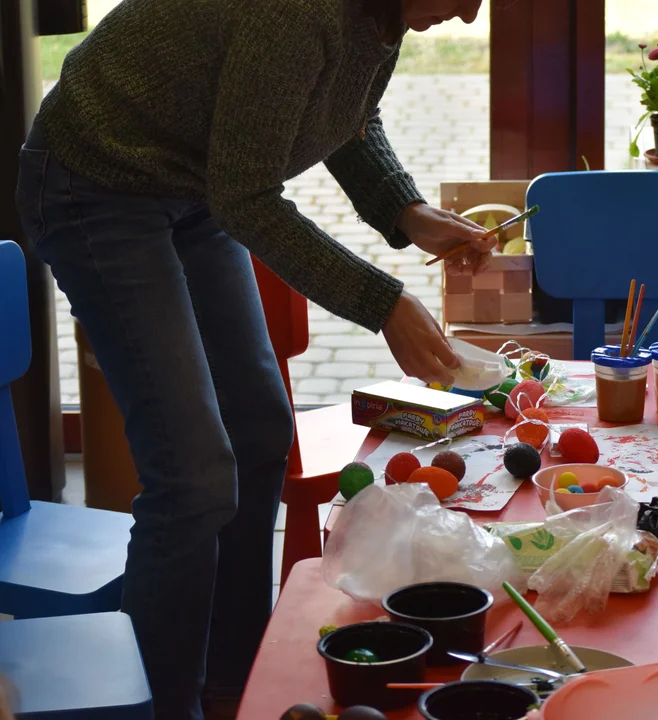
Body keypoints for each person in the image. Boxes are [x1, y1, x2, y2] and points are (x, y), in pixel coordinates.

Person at [14, 1, 490, 718]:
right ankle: (165, 705)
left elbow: (344, 116)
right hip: (98, 183)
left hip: (192, 185)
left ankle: (236, 682)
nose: (468, 13)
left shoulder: (380, 17)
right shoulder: (298, 12)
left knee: (260, 430)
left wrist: (404, 209)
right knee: (195, 477)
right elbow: (249, 200)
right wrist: (383, 303)